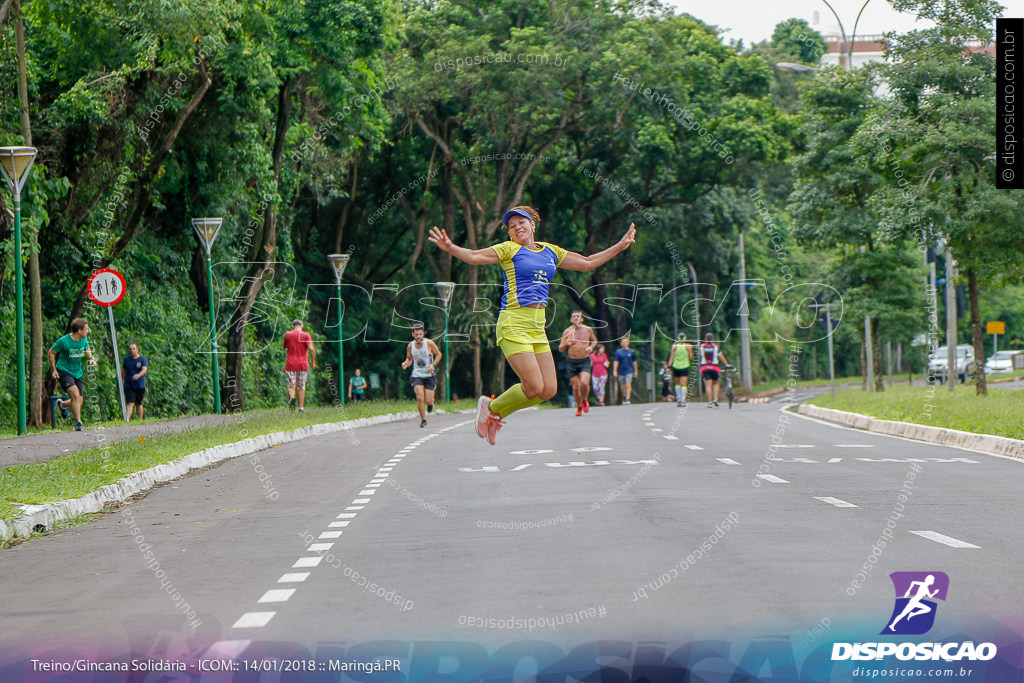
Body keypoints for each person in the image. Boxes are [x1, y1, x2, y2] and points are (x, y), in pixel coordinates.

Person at [428, 206, 635, 445]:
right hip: (513, 325)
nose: (517, 228)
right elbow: (475, 256)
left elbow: (587, 263)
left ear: (533, 225)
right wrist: (450, 247)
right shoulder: (509, 249)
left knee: (548, 390)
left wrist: (620, 245)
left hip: (538, 329)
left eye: (521, 222)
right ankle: (491, 406)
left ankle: (495, 414)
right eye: (512, 226)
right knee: (534, 385)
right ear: (509, 234)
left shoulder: (551, 251)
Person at [49, 318, 97, 432]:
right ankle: (78, 423)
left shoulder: (83, 338)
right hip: (64, 370)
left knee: (79, 401)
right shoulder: (64, 341)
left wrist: (91, 358)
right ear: (79, 331)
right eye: (86, 329)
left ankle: (63, 404)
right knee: (75, 394)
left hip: (77, 371)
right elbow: (51, 353)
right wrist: (54, 370)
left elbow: (87, 347)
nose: (88, 331)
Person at [401, 323, 442, 428]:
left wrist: (433, 365)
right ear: (413, 334)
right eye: (416, 334)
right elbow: (409, 359)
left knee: (428, 400)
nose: (418, 336)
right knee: (420, 397)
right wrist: (406, 364)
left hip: (429, 375)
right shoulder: (410, 346)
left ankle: (430, 403)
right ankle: (423, 419)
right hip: (417, 374)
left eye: (420, 334)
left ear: (423, 333)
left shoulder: (429, 343)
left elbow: (438, 354)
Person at [559, 310, 598, 416]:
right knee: (576, 387)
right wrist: (567, 343)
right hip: (572, 361)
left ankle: (585, 400)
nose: (576, 318)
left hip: (585, 360)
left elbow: (594, 340)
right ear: (571, 319)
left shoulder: (588, 330)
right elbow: (561, 348)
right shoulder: (567, 332)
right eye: (574, 316)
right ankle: (579, 406)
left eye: (578, 316)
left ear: (582, 319)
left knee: (585, 383)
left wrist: (591, 347)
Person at [283, 319, 317, 412]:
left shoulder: (288, 334)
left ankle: (292, 398)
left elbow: (284, 346)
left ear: (293, 326)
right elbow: (312, 349)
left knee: (291, 385)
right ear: (302, 326)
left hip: (290, 364)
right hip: (302, 364)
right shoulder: (306, 335)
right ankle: (301, 407)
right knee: (301, 386)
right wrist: (313, 362)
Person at [698, 332, 729, 407]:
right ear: (712, 339)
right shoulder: (716, 347)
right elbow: (721, 357)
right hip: (715, 367)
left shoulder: (701, 347)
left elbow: (699, 356)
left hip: (705, 367)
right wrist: (727, 365)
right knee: (716, 383)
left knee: (708, 385)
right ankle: (715, 398)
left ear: (705, 339)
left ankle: (709, 401)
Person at [121, 342, 149, 422]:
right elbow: (124, 371)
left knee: (138, 403)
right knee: (130, 402)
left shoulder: (142, 359)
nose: (132, 351)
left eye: (133, 349)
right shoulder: (127, 360)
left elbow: (144, 369)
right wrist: (121, 380)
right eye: (130, 349)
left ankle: (140, 419)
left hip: (140, 385)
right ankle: (127, 419)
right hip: (129, 384)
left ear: (137, 349)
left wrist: (138, 375)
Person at [668, 334, 693, 406]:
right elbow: (691, 357)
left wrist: (669, 366)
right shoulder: (688, 346)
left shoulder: (674, 346)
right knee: (684, 384)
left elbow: (672, 357)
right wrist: (690, 351)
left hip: (676, 366)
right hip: (685, 366)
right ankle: (683, 400)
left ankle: (678, 399)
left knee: (677, 383)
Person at [613, 337, 638, 405]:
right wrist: (615, 370)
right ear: (621, 343)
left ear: (628, 343)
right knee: (622, 385)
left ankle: (628, 398)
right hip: (621, 370)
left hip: (629, 370)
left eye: (625, 342)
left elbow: (634, 362)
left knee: (628, 383)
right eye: (623, 342)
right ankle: (624, 396)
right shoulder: (618, 352)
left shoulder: (631, 352)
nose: (624, 343)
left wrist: (636, 371)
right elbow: (616, 361)